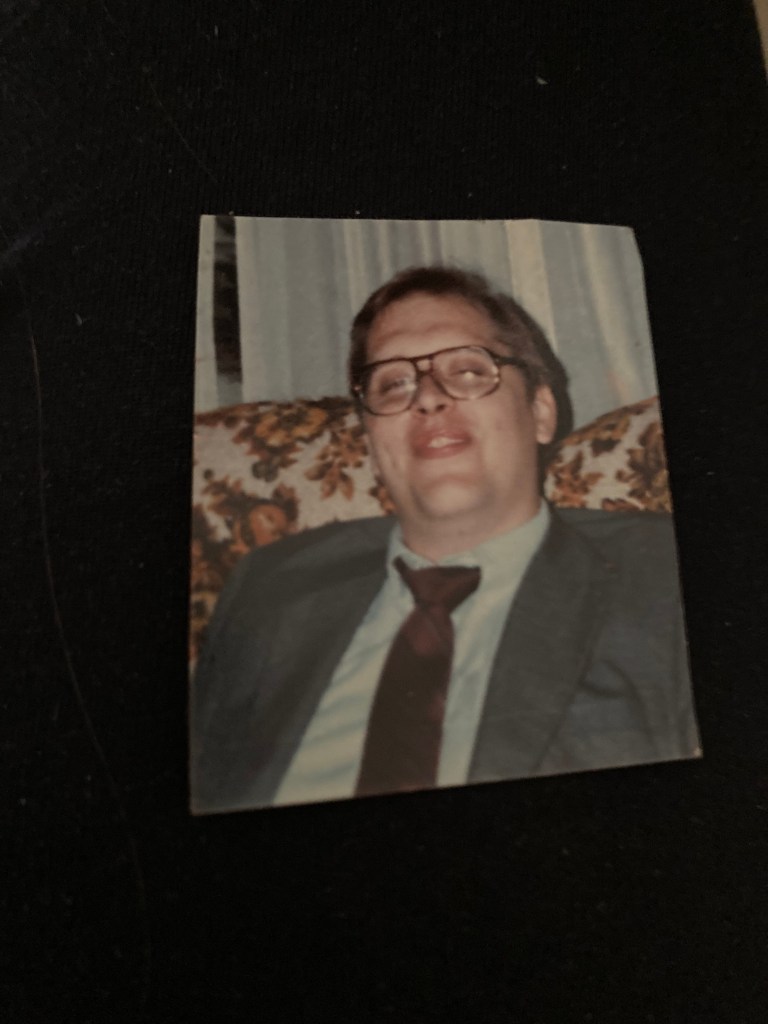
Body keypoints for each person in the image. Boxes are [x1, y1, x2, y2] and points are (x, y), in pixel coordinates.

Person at [190, 266, 699, 814]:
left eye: (468, 370)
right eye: (393, 383)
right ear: (370, 440)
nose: (428, 398)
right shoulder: (271, 586)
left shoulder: (664, 575)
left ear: (540, 412)